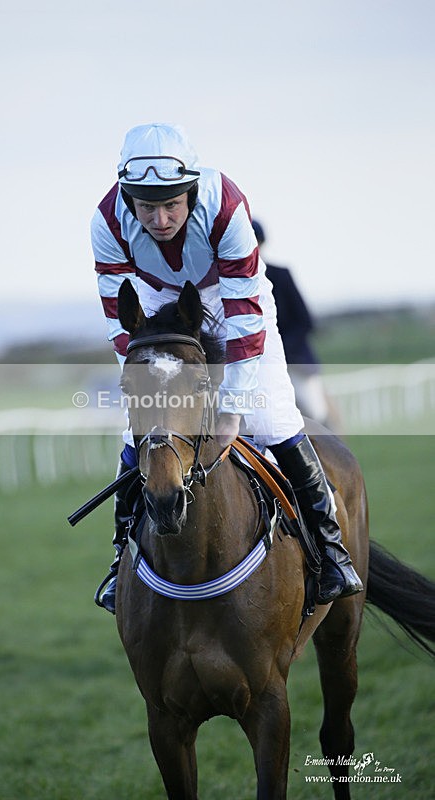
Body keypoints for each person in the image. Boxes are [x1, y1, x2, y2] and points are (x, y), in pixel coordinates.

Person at [90, 122, 362, 614]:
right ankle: (118, 562)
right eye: (146, 206)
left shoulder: (227, 206)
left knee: (273, 415)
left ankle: (332, 552)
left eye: (171, 203)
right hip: (156, 299)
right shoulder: (106, 221)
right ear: (127, 198)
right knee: (138, 434)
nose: (160, 218)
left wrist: (232, 413)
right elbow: (120, 323)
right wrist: (144, 393)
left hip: (234, 297)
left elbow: (243, 318)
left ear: (191, 190)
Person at [251, 219, 340, 431]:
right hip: (252, 364)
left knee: (314, 410)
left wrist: (276, 349)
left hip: (292, 360)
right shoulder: (227, 280)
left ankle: (331, 446)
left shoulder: (280, 275)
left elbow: (304, 321)